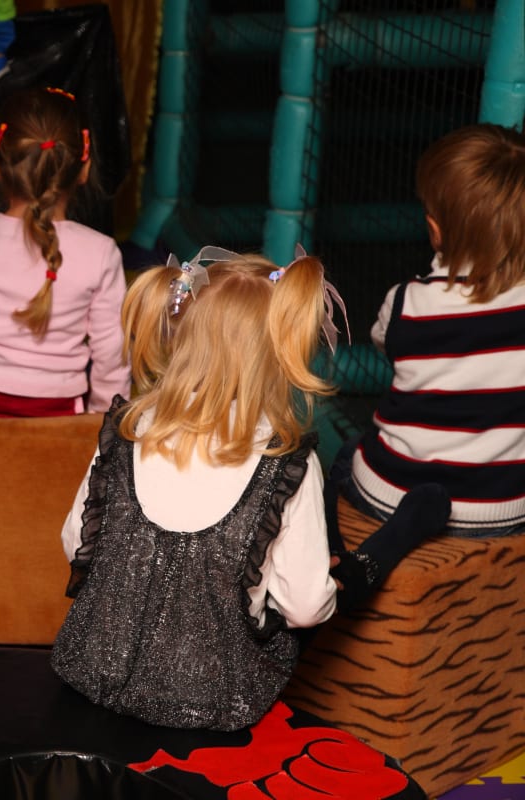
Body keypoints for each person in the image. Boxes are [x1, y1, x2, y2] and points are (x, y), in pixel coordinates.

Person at [50, 249, 448, 733]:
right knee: (334, 583)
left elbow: (78, 545)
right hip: (215, 700)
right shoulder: (284, 460)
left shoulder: (127, 428)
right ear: (279, 355)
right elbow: (304, 609)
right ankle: (383, 544)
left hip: (89, 669)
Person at [338, 123, 525, 538]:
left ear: (435, 231)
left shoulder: (406, 301)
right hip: (507, 507)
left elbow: (385, 344)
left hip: (395, 493)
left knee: (345, 453)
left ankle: (347, 554)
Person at [0, 87, 130, 419]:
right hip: (54, 408)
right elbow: (111, 351)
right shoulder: (101, 252)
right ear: (83, 170)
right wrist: (101, 420)